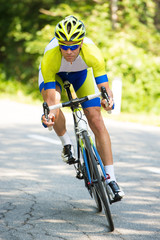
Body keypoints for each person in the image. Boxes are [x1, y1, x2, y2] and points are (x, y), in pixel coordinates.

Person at [39, 15, 124, 202]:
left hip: (81, 75)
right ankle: (66, 143)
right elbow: (53, 99)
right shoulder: (50, 57)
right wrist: (50, 115)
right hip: (56, 76)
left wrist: (108, 101)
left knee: (96, 119)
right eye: (64, 46)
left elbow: (104, 88)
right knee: (56, 105)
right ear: (59, 44)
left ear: (81, 43)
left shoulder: (92, 52)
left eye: (73, 46)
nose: (69, 51)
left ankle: (111, 179)